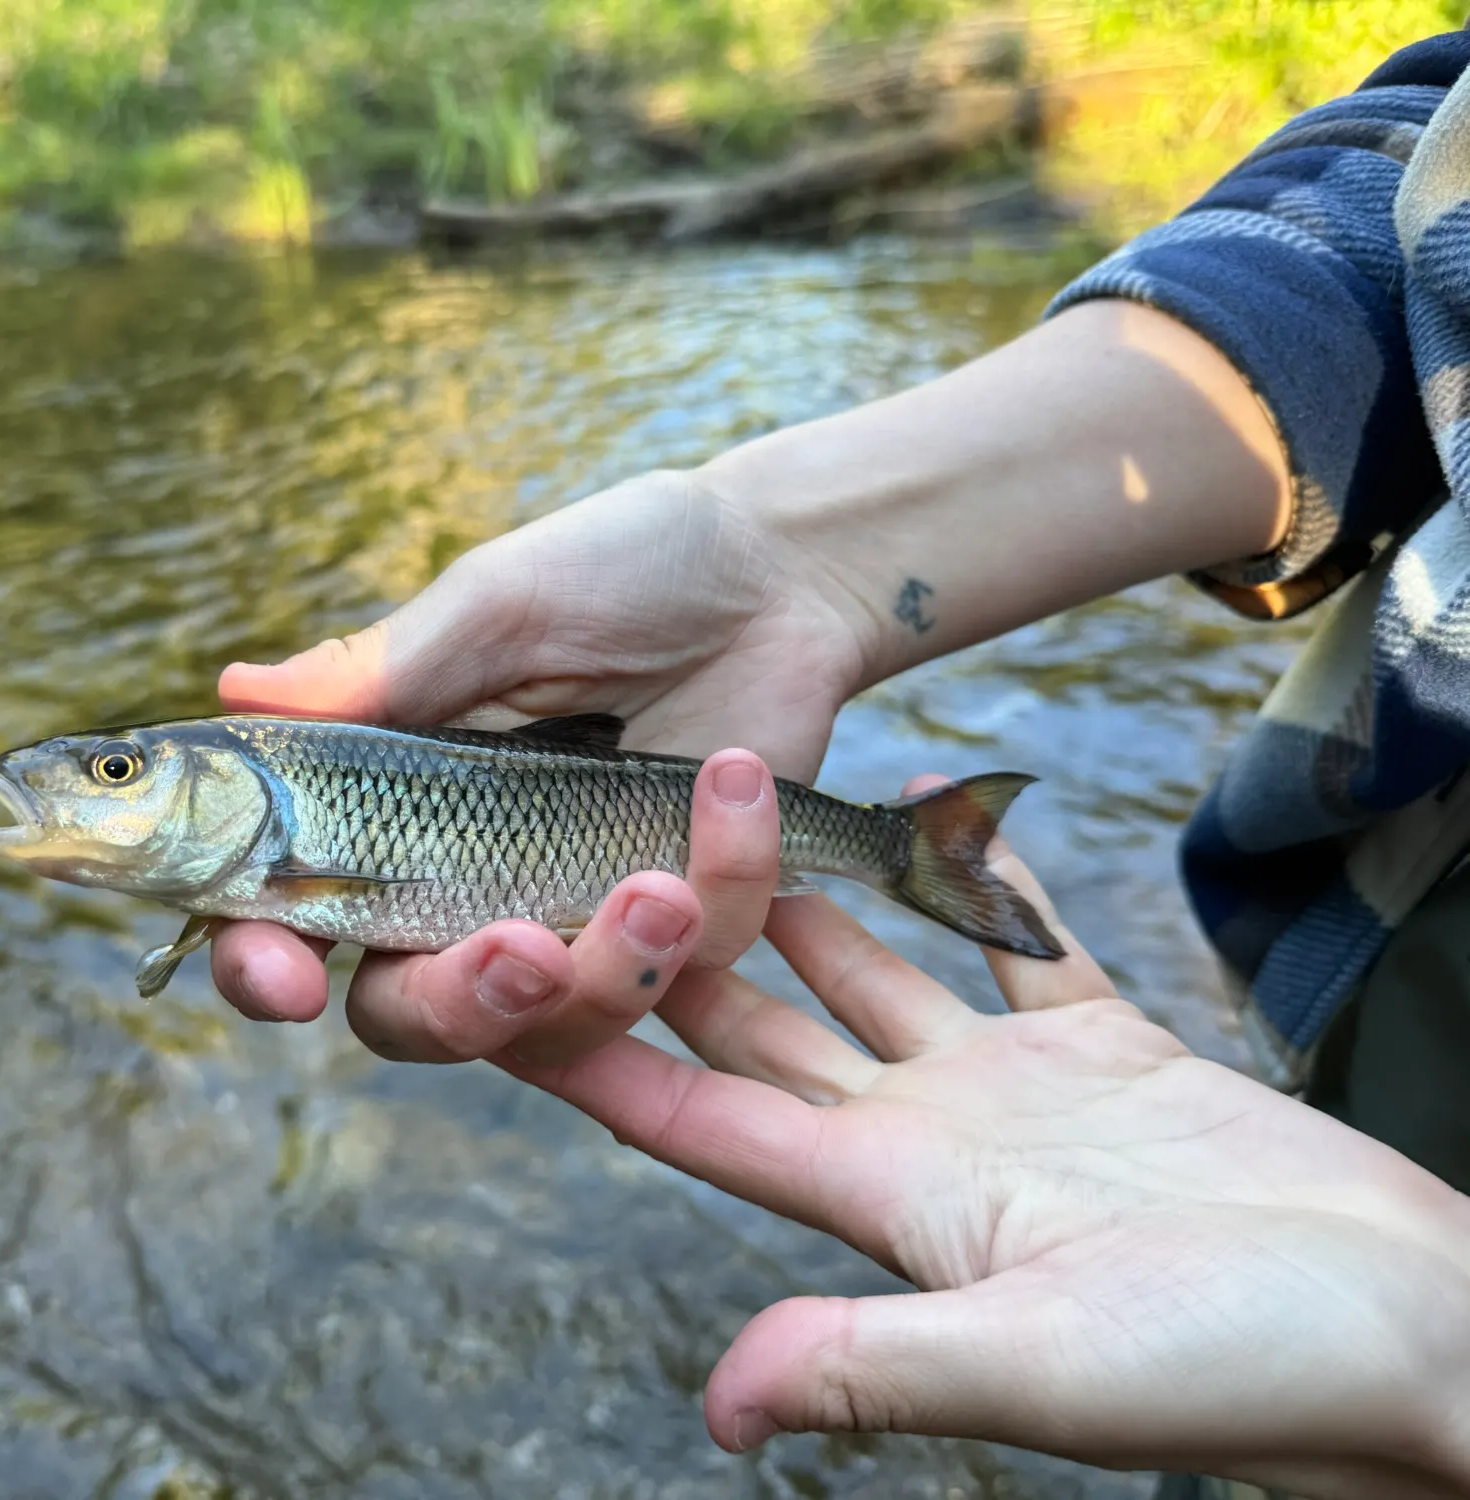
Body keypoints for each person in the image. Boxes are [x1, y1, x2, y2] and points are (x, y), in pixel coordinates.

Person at [206, 23, 1470, 1500]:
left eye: (115, 776)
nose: (78, 789)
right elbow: (1415, 220)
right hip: (1355, 1098)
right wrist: (791, 560)